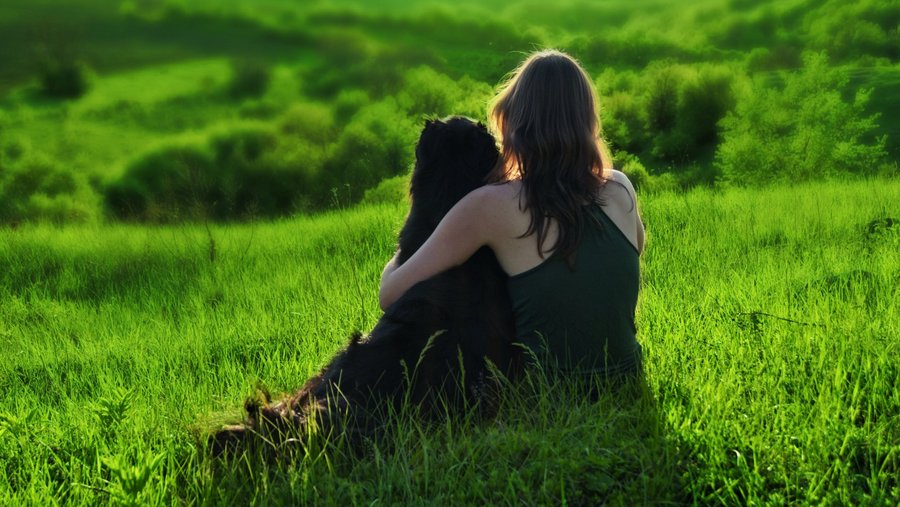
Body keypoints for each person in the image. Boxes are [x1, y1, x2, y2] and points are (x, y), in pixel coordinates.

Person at [379, 49, 645, 381]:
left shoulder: (489, 205)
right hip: (629, 377)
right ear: (588, 122)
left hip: (547, 395)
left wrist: (400, 254)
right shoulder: (620, 188)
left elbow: (390, 295)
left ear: (512, 121)